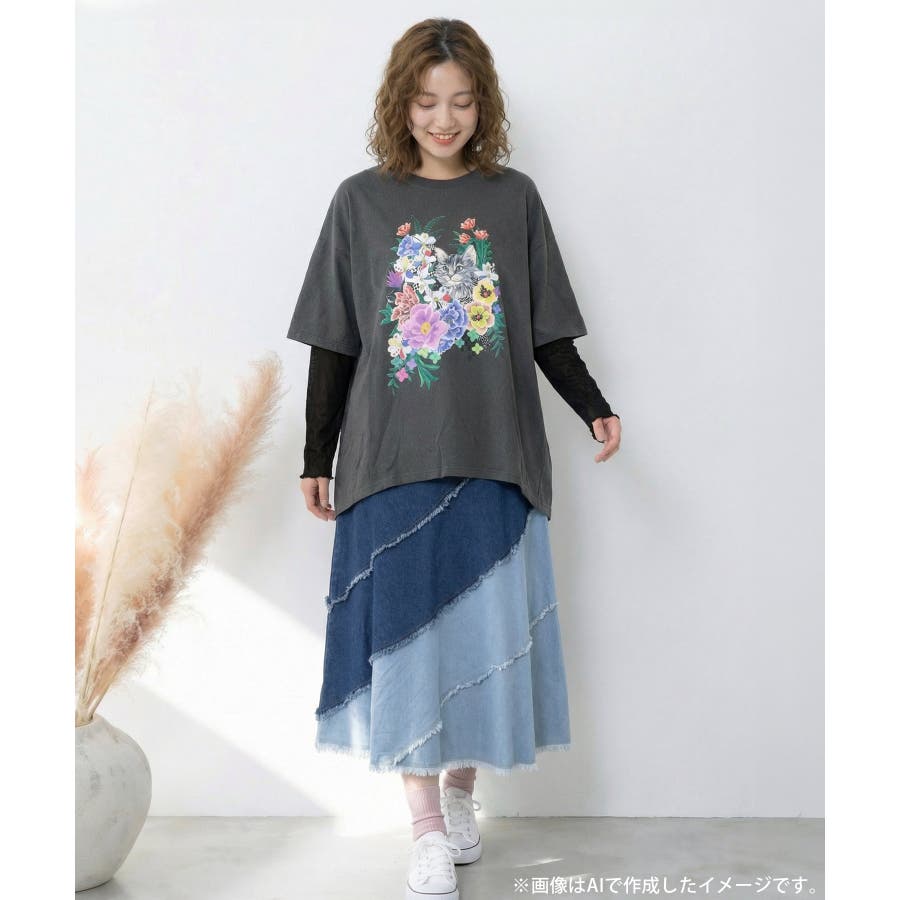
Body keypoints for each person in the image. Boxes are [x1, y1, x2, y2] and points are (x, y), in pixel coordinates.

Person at [286, 18, 621, 900]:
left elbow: (545, 329)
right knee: (405, 647)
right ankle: (425, 828)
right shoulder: (360, 202)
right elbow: (333, 341)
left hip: (493, 451)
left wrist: (593, 405)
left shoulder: (514, 200)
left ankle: (463, 795)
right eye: (427, 101)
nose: (445, 119)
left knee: (481, 638)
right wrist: (316, 455)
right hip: (389, 457)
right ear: (400, 105)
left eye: (462, 102)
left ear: (485, 106)